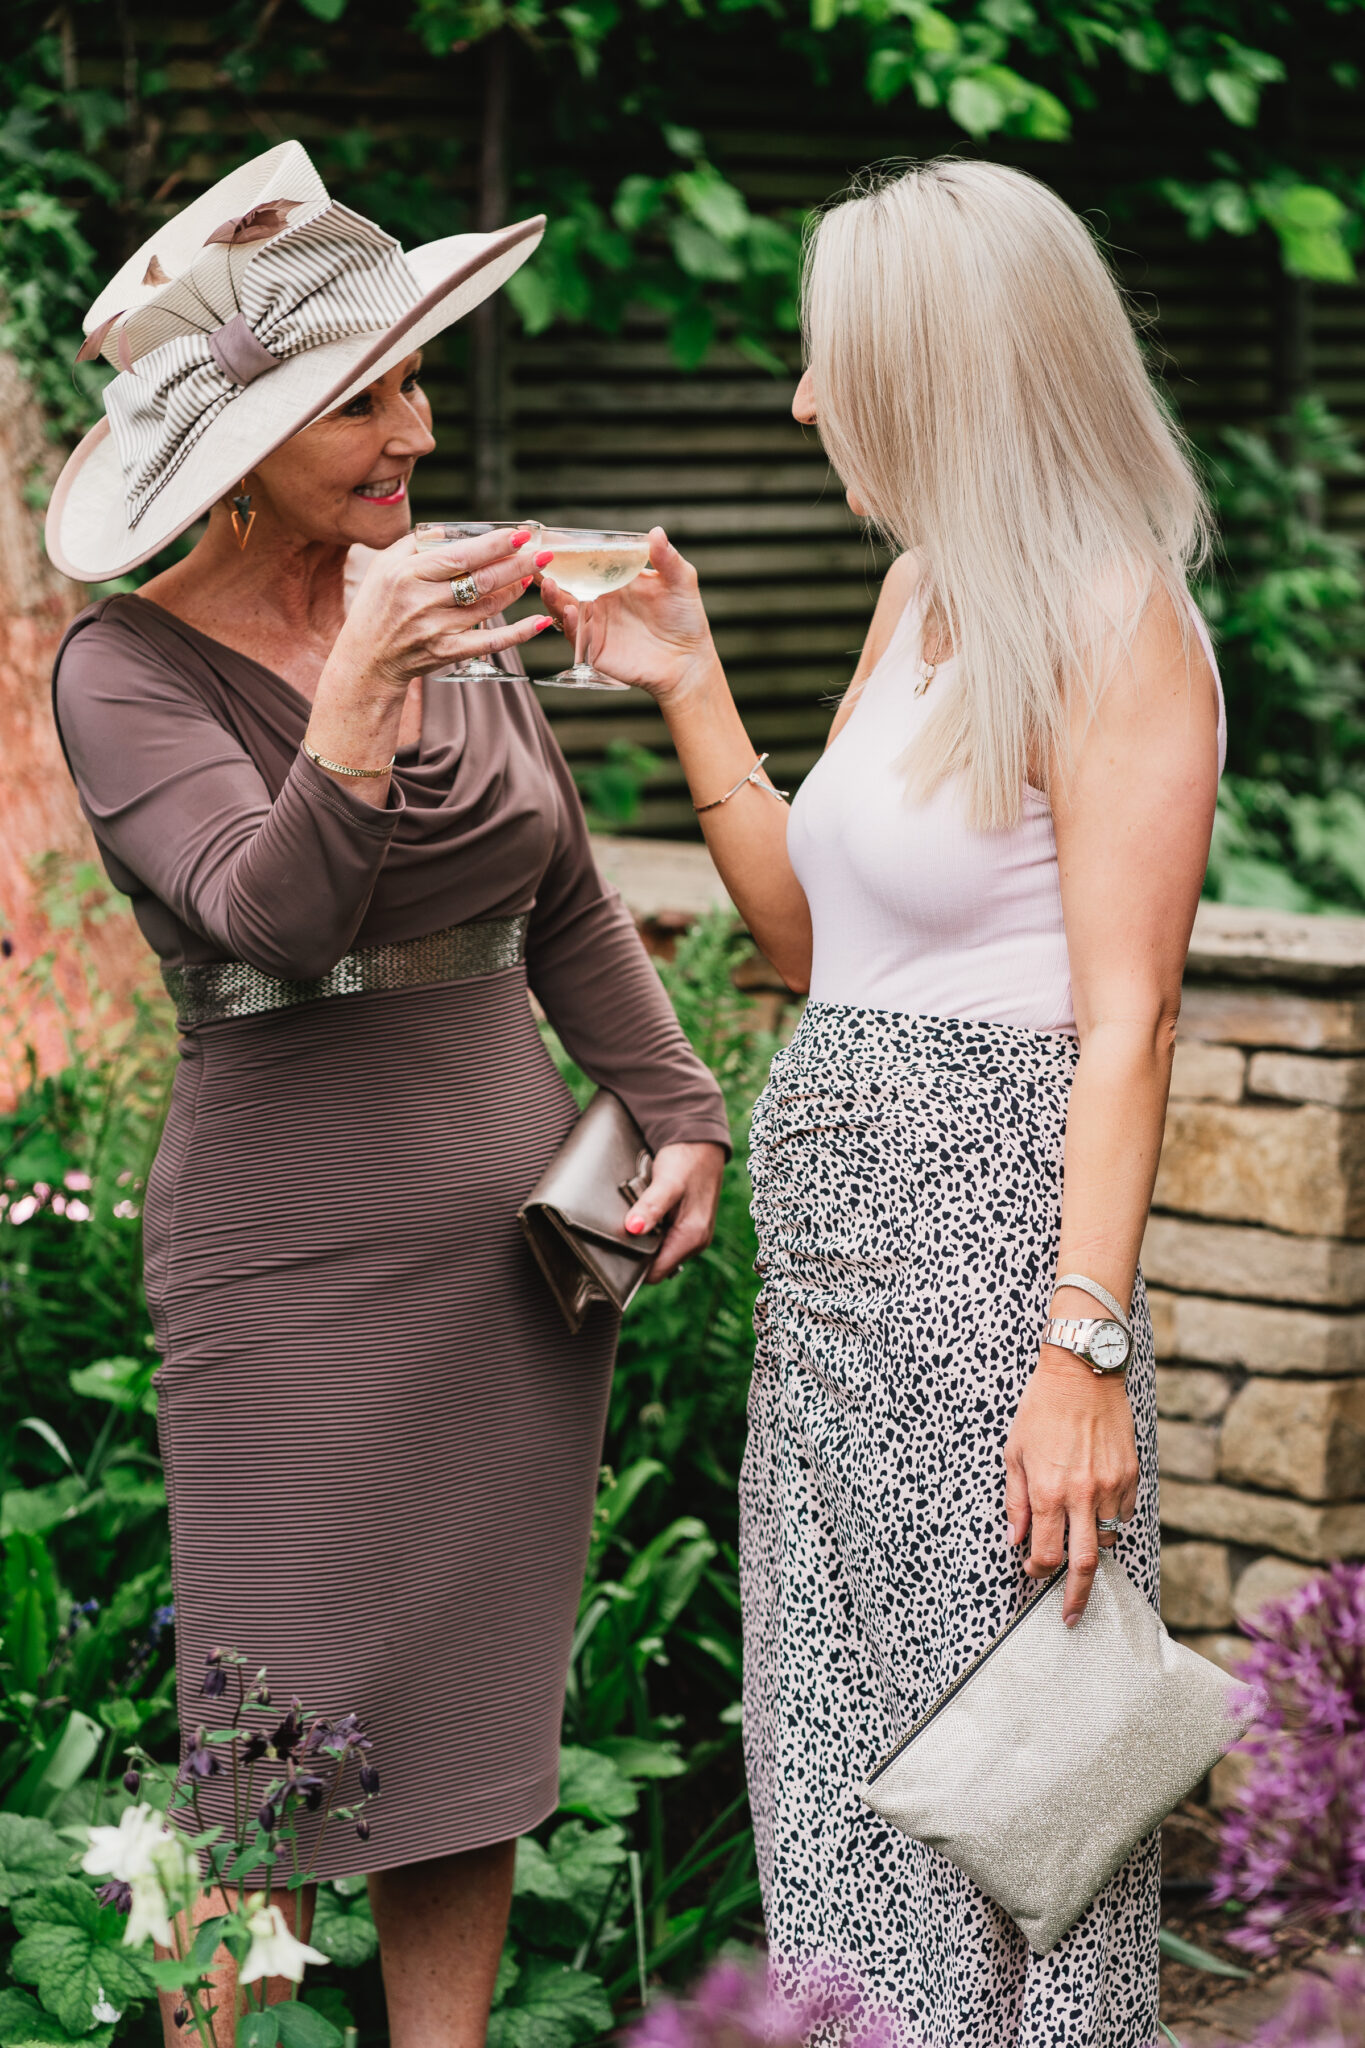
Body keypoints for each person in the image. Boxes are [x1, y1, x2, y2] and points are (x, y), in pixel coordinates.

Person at [46, 141, 729, 2048]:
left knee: (473, 1748)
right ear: (247, 445)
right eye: (368, 398)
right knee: (271, 1758)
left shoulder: (432, 593)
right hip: (288, 1273)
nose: (418, 428)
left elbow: (562, 898)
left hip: (514, 1275)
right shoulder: (126, 668)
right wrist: (359, 698)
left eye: (418, 380)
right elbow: (265, 924)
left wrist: (682, 1111)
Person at [546, 159, 1223, 2047]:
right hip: (837, 1286)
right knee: (834, 1778)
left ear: (938, 367)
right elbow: (807, 939)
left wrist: (1076, 1352)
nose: (800, 399)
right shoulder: (928, 593)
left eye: (828, 360)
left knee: (1008, 1804)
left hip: (992, 1277)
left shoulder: (1116, 617)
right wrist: (686, 680)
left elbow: (1130, 1020)